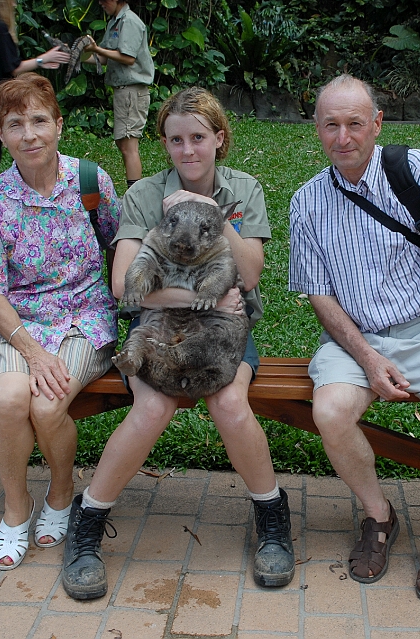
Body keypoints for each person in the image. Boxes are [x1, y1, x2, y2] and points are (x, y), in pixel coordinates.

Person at [60, 87, 293, 600]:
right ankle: (89, 522)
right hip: (157, 327)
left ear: (219, 139)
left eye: (198, 138)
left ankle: (272, 518)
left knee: (231, 404)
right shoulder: (146, 193)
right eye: (175, 140)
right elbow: (125, 284)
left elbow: (249, 275)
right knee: (151, 409)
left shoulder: (243, 189)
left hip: (223, 333)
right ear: (163, 143)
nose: (188, 150)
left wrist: (210, 210)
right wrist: (195, 298)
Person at [288, 75, 420, 603]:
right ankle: (378, 516)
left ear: (376, 124)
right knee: (330, 413)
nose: (343, 137)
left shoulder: (416, 171)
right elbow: (319, 296)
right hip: (355, 338)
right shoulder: (307, 202)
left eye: (355, 124)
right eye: (331, 125)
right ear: (316, 129)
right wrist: (366, 355)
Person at [0, 73, 122, 571]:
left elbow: (119, 247)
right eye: (14, 124)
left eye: (38, 120)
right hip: (16, 322)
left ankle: (62, 492)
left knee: (47, 408)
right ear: (0, 134)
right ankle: (15, 508)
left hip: (85, 319)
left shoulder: (91, 182)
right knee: (9, 399)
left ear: (58, 126)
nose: (29, 134)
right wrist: (31, 349)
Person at [0, 0, 69, 194]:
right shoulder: (0, 29)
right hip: (0, 98)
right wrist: (44, 59)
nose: (15, 3)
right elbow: (12, 67)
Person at [81, 0, 154, 186]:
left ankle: (134, 196)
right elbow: (104, 59)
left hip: (132, 90)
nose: (101, 3)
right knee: (124, 146)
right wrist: (76, 56)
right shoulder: (114, 22)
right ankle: (134, 193)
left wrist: (96, 49)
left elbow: (128, 58)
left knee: (129, 147)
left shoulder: (129, 21)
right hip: (123, 91)